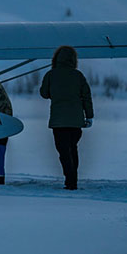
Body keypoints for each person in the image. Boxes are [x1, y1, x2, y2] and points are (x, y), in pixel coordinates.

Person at [39, 45, 93, 190]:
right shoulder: (78, 75)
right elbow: (86, 97)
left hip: (58, 121)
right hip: (76, 122)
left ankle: (70, 180)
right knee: (72, 149)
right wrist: (89, 116)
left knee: (63, 151)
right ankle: (72, 178)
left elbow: (44, 93)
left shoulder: (51, 75)